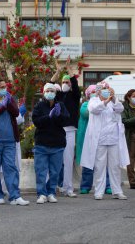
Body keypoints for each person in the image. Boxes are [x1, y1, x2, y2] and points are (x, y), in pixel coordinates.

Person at [81, 82, 129, 200]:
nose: (106, 91)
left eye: (107, 89)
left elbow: (120, 108)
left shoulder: (114, 101)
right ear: (98, 91)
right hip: (100, 140)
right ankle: (99, 191)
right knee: (100, 167)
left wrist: (113, 99)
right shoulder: (94, 101)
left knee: (115, 166)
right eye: (103, 89)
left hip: (113, 139)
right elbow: (94, 110)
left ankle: (117, 191)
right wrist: (106, 101)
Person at [0, 79, 29, 206]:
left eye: (5, 87)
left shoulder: (10, 100)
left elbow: (15, 113)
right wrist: (2, 106)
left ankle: (15, 196)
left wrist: (9, 103)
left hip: (10, 140)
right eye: (2, 87)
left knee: (11, 167)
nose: (5, 89)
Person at [32, 83, 69, 204]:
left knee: (55, 171)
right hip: (42, 144)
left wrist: (58, 116)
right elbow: (36, 121)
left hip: (57, 144)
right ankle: (41, 193)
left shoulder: (61, 105)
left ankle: (51, 192)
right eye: (47, 90)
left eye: (52, 91)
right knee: (41, 171)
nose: (50, 93)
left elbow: (66, 120)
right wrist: (49, 116)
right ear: (43, 92)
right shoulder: (39, 105)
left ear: (55, 93)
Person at [50, 58, 81, 197]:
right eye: (63, 82)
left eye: (67, 82)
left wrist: (69, 70)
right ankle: (54, 186)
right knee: (55, 160)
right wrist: (57, 71)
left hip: (69, 131)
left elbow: (75, 82)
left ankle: (68, 188)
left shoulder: (74, 96)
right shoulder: (58, 95)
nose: (65, 83)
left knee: (68, 161)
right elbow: (49, 85)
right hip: (57, 131)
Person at [77, 85, 112, 195]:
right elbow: (87, 113)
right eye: (92, 92)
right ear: (88, 94)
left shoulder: (106, 103)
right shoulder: (85, 105)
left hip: (102, 138)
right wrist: (99, 102)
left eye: (96, 91)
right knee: (88, 162)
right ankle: (86, 186)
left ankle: (107, 186)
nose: (95, 93)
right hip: (89, 138)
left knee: (104, 163)